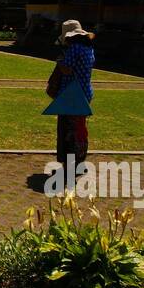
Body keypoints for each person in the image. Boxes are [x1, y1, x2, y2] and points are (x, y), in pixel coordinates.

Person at [52, 19, 95, 179]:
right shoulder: (88, 48)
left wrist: (59, 61)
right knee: (80, 129)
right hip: (85, 93)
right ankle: (80, 163)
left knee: (68, 130)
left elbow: (67, 69)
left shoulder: (74, 49)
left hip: (71, 94)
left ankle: (69, 166)